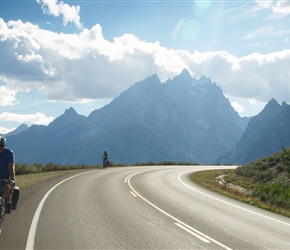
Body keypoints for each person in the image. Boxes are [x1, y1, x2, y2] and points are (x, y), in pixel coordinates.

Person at [0, 136, 15, 214]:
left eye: (1, 146)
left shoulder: (9, 153)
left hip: (6, 175)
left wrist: (12, 178)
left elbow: (11, 166)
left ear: (4, 145)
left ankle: (9, 202)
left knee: (6, 186)